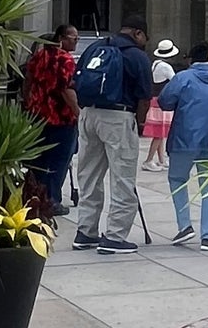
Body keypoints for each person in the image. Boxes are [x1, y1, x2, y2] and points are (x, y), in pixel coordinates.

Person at [72, 13, 154, 255]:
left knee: (88, 176)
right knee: (122, 179)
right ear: (138, 33)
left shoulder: (95, 48)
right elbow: (144, 97)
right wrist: (139, 124)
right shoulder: (137, 56)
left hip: (89, 114)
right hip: (119, 116)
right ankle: (115, 236)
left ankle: (86, 232)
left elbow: (75, 82)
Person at [159, 43, 208, 249]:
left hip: (184, 139)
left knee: (177, 180)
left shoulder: (183, 78)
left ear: (190, 59)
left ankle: (185, 225)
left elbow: (164, 101)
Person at [21, 23, 79, 211]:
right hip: (61, 118)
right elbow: (66, 89)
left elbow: (28, 80)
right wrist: (78, 113)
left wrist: (27, 103)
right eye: (73, 38)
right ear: (60, 38)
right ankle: (52, 201)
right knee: (59, 161)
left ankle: (33, 198)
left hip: (38, 115)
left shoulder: (39, 56)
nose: (76, 41)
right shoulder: (65, 60)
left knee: (39, 160)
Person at [142, 39, 179, 169]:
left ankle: (161, 159)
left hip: (154, 100)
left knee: (160, 132)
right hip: (162, 102)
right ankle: (148, 160)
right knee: (159, 134)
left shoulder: (155, 64)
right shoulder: (166, 67)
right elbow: (176, 81)